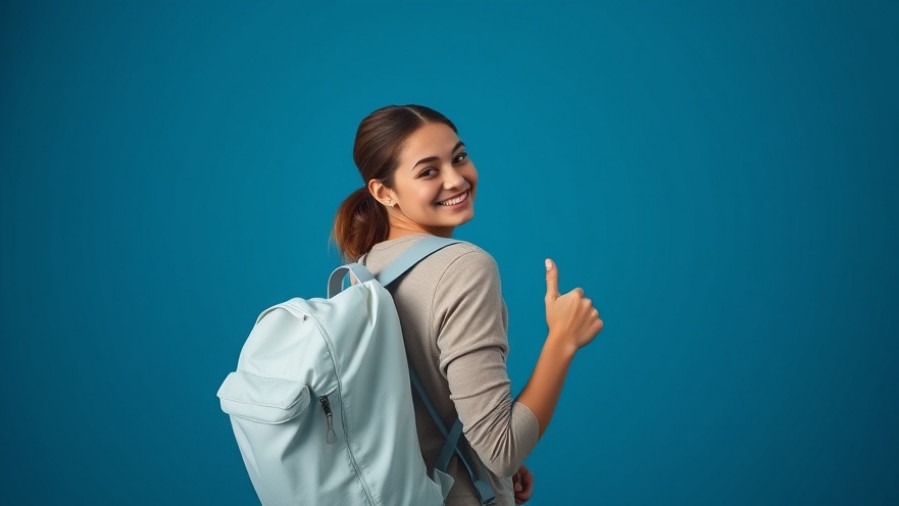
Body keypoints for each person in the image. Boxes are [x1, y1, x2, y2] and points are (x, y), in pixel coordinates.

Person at [332, 104, 603, 506]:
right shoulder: (463, 266)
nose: (456, 179)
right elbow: (502, 448)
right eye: (428, 171)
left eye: (458, 157)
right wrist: (562, 340)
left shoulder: (363, 272)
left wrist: (480, 460)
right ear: (383, 192)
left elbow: (417, 418)